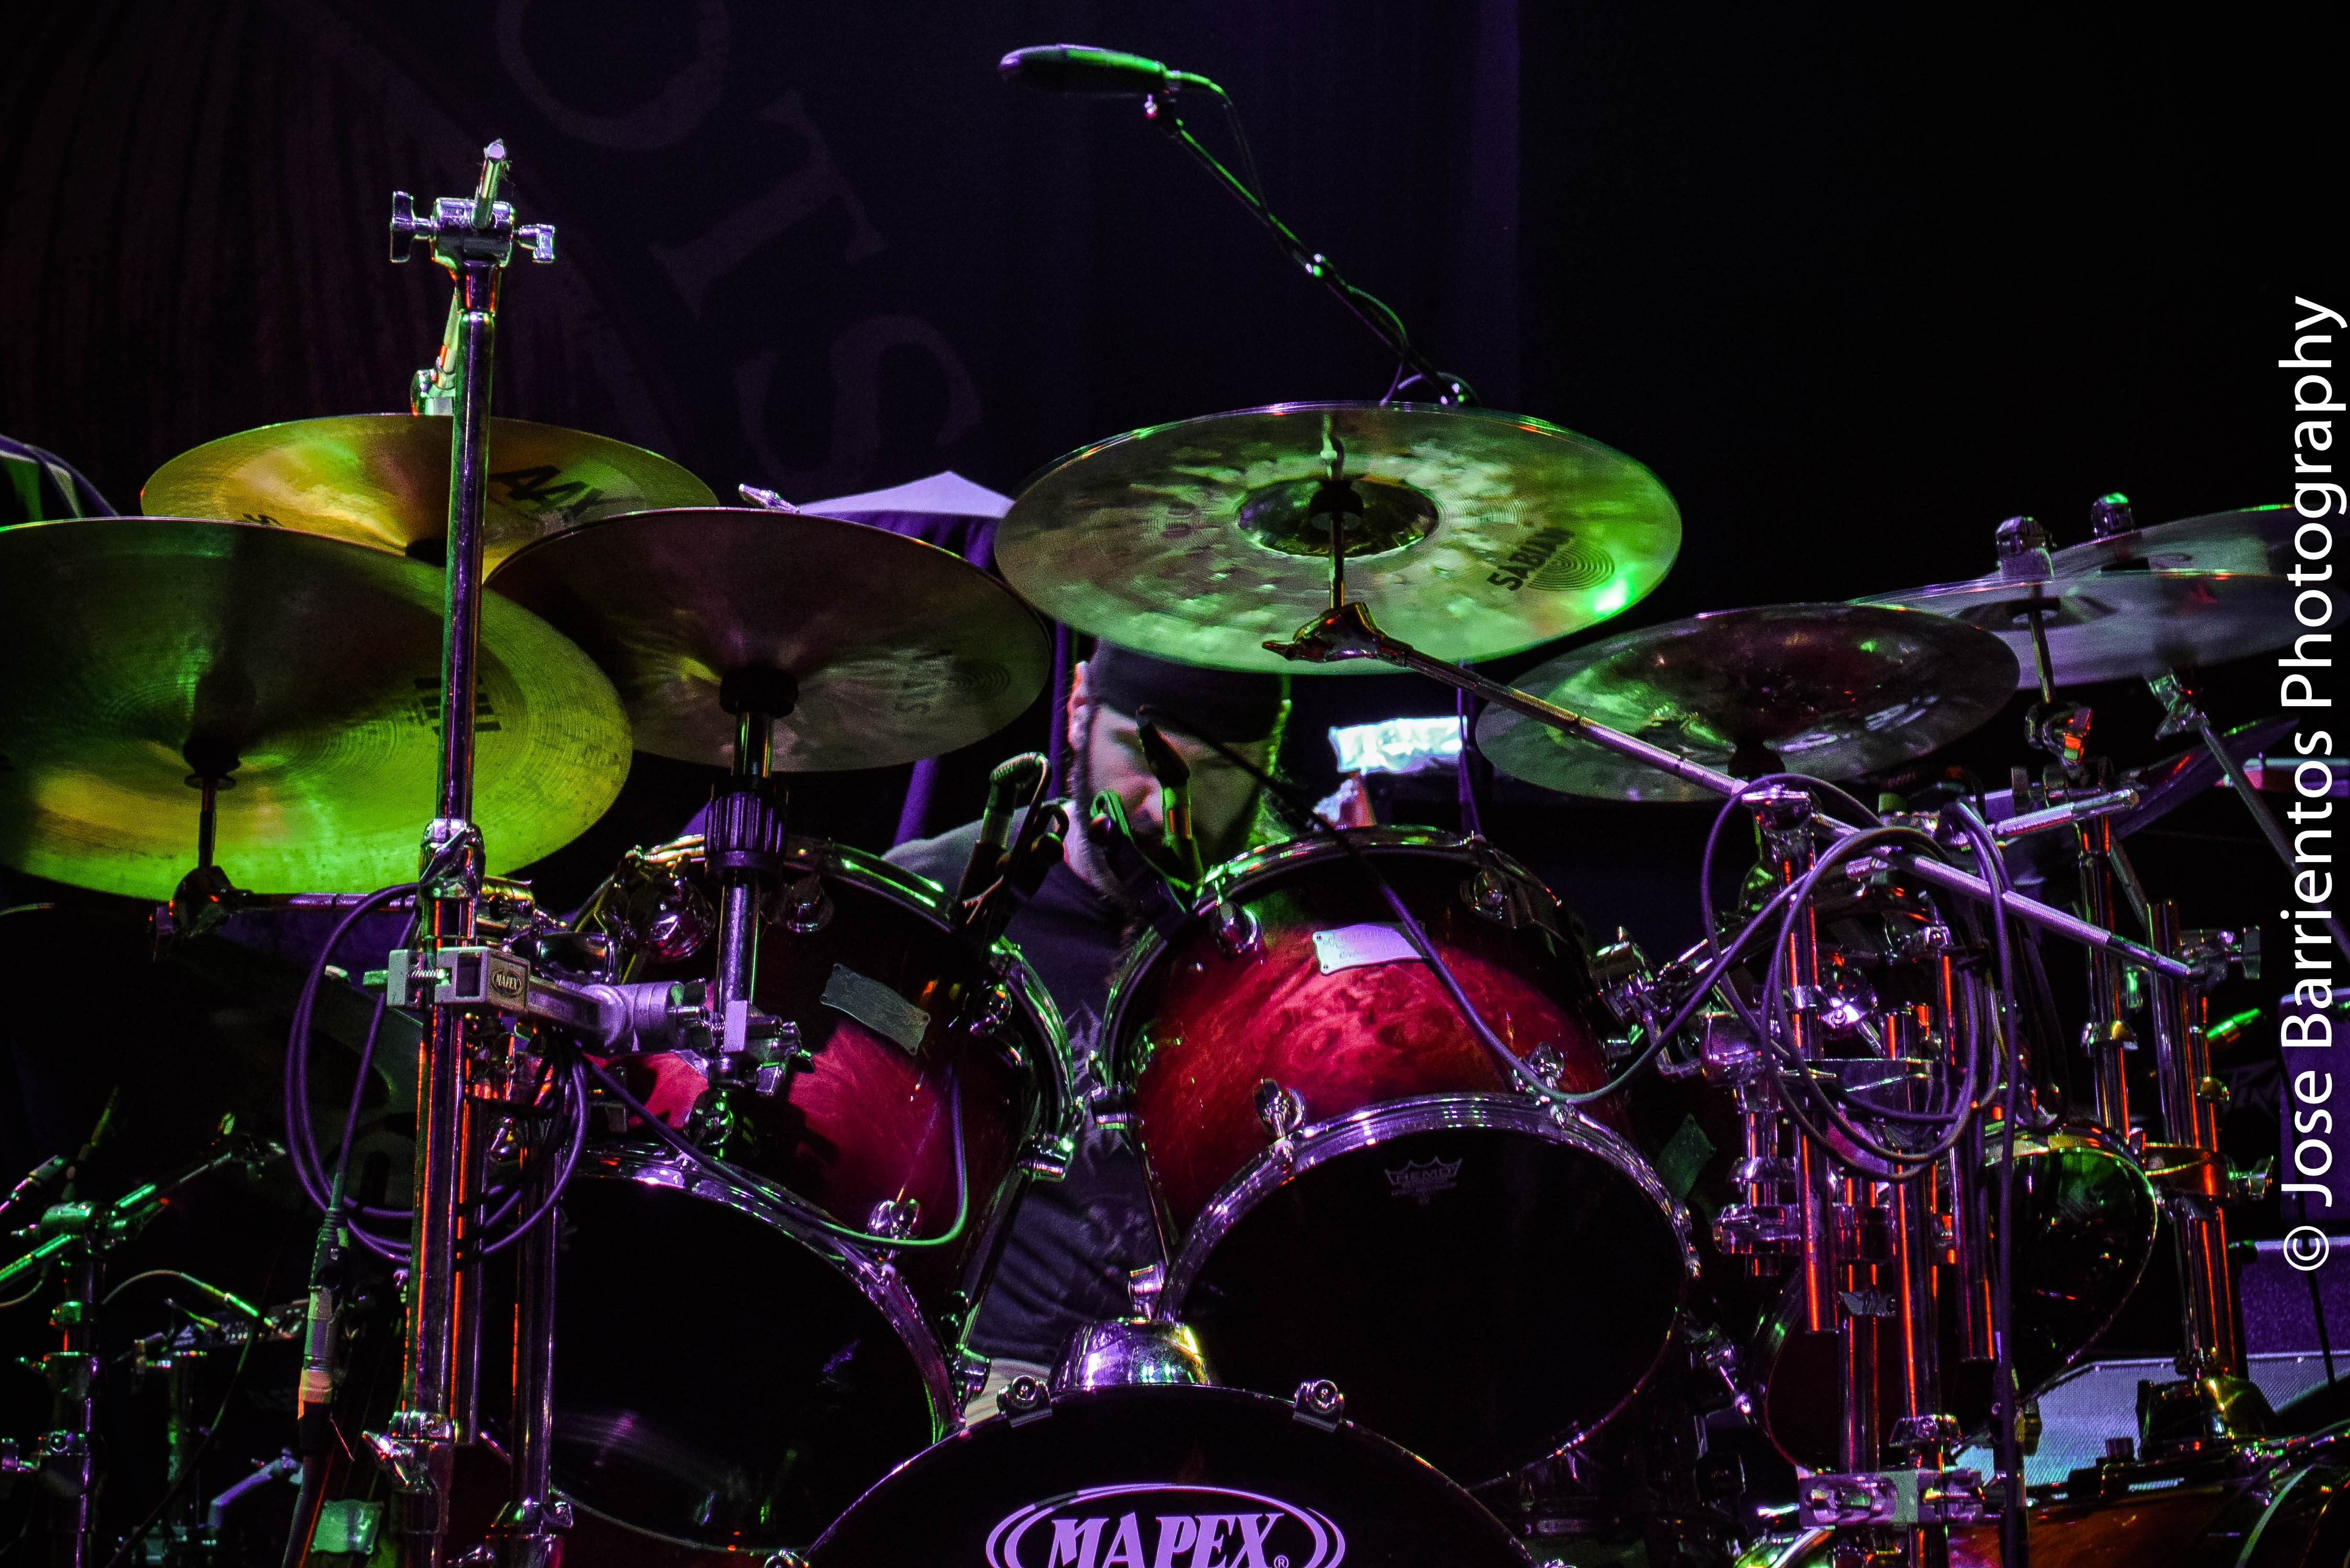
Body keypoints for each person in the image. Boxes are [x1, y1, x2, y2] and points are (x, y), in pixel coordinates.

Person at [887, 641, 1292, 1399]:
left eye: (1211, 773)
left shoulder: (1294, 930)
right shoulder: (935, 899)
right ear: (1078, 710)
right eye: (1140, 754)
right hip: (993, 1386)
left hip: (1233, 1393)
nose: (1162, 807)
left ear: (1269, 756)